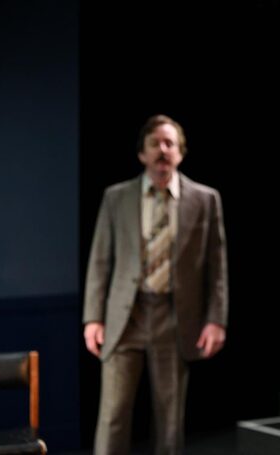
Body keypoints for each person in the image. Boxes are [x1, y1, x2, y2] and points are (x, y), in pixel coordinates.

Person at [83, 114, 228, 455]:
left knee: (170, 416)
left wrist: (216, 319)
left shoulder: (205, 199)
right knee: (114, 414)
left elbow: (216, 266)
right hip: (126, 316)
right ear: (142, 153)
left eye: (170, 143)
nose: (163, 150)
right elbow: (100, 260)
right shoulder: (116, 197)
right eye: (155, 143)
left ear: (181, 152)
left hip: (175, 316)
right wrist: (93, 317)